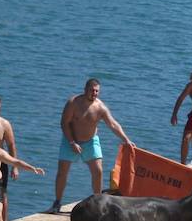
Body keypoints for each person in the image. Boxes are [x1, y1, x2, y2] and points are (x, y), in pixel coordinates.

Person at [48, 78, 134, 214]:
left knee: (98, 171)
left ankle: (98, 202)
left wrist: (126, 140)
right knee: (62, 172)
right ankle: (57, 203)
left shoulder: (100, 107)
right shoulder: (73, 103)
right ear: (85, 90)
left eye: (96, 91)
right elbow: (64, 123)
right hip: (70, 140)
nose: (94, 93)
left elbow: (113, 124)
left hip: (90, 142)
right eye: (92, 90)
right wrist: (72, 142)